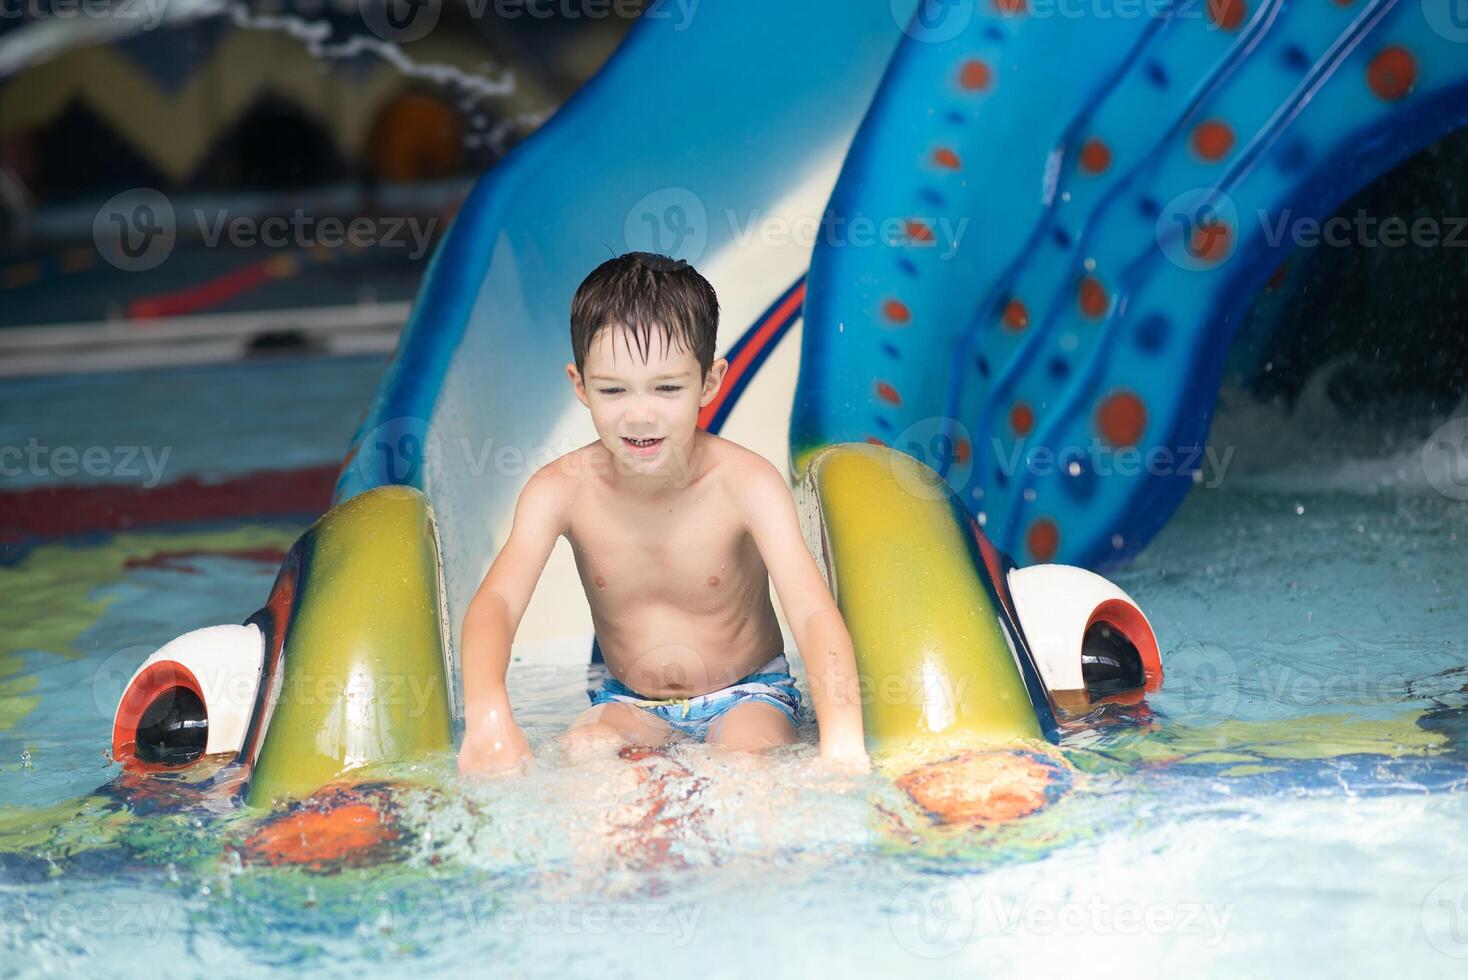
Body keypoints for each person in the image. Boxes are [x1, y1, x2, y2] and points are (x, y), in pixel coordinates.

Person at [456, 252, 868, 775]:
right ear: (580, 385)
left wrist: (843, 744)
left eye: (668, 388)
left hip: (748, 696)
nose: (640, 413)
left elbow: (812, 615)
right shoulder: (559, 491)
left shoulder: (746, 485)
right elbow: (496, 602)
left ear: (710, 382)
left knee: (749, 765)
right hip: (629, 702)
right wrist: (488, 713)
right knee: (581, 757)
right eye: (612, 390)